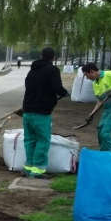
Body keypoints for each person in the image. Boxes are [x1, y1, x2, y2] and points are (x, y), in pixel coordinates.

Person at [21, 47, 68, 178]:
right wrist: (65, 93)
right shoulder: (53, 70)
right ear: (53, 58)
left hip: (27, 110)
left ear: (41, 56)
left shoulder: (32, 71)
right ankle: (38, 171)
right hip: (41, 112)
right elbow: (56, 87)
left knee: (29, 139)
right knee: (43, 140)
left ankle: (28, 167)